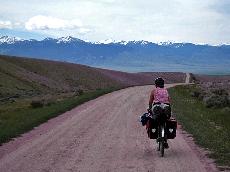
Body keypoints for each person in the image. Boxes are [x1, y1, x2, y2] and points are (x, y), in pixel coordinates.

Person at [147, 77, 171, 148]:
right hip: (166, 106)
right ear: (163, 84)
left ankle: (158, 134)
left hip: (157, 106)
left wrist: (150, 109)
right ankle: (165, 139)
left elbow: (150, 101)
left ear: (156, 84)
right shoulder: (166, 91)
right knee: (166, 120)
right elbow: (169, 100)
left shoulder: (154, 91)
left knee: (155, 119)